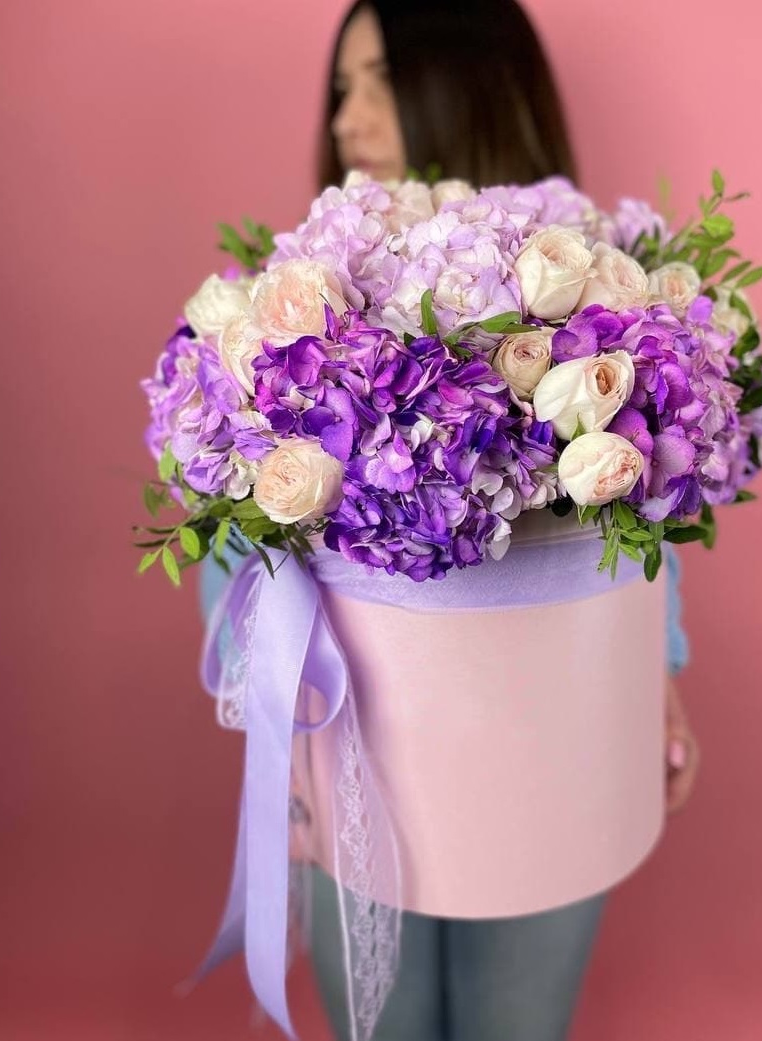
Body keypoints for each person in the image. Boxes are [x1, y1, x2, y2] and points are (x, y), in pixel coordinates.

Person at [201, 2, 700, 1038]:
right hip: (354, 736)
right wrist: (271, 712)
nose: (347, 119)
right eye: (342, 89)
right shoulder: (297, 311)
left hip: (553, 729)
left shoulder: (596, 309)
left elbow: (636, 504)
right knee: (380, 1021)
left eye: (381, 81)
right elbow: (239, 535)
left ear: (471, 85)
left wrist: (653, 669)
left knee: (516, 1020)